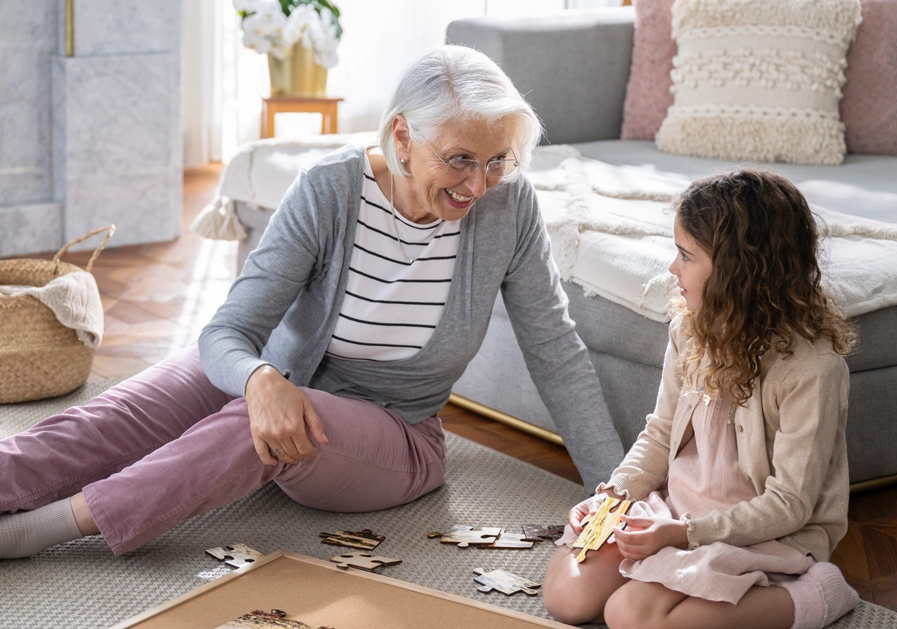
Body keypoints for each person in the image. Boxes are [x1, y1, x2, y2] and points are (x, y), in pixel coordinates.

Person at [0, 46, 624, 559]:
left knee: (252, 430)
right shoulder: (329, 190)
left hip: (393, 434)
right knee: (107, 421)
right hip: (281, 376)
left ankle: (29, 535)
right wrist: (260, 377)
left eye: (497, 162)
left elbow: (556, 354)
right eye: (459, 159)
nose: (478, 186)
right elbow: (226, 333)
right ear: (402, 137)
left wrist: (615, 492)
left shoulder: (508, 209)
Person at [542, 170, 861, 629]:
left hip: (760, 531)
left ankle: (817, 593)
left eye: (686, 255)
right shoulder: (689, 331)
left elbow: (791, 504)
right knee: (567, 599)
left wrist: (686, 535)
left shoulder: (813, 369)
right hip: (675, 509)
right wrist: (614, 496)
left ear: (738, 271)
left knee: (632, 617)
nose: (673, 268)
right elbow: (662, 431)